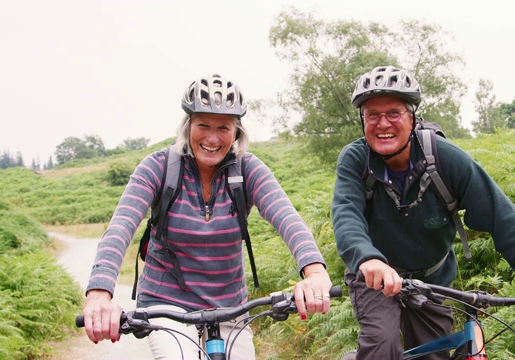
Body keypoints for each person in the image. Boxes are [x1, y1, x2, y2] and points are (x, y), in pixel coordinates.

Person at [332, 65, 515, 360]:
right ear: (362, 120)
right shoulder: (356, 159)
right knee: (381, 345)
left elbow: (503, 219)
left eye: (393, 113)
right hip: (374, 275)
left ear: (412, 117)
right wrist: (368, 258)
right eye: (372, 115)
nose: (382, 123)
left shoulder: (445, 159)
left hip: (431, 278)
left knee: (434, 355)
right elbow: (346, 214)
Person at [82, 73, 332, 360]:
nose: (212, 138)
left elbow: (288, 219)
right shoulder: (158, 167)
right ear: (188, 127)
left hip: (229, 307)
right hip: (167, 306)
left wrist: (314, 272)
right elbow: (119, 229)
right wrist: (100, 294)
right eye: (203, 125)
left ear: (236, 132)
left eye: (223, 127)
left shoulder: (247, 169)